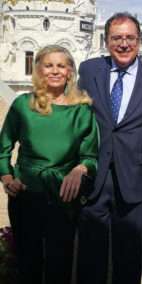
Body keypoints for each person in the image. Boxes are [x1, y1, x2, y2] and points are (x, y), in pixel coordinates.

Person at [77, 12, 142, 284]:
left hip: (135, 179)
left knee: (128, 256)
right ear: (107, 41)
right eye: (117, 38)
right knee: (90, 254)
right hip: (94, 176)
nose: (124, 44)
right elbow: (78, 121)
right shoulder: (89, 69)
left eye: (130, 38)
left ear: (139, 41)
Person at [0, 45, 98, 284]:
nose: (55, 71)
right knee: (28, 264)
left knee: (60, 265)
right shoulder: (23, 104)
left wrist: (80, 169)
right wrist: (7, 178)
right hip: (25, 194)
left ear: (70, 72)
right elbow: (3, 148)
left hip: (64, 197)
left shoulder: (83, 110)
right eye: (49, 65)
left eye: (61, 66)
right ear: (39, 70)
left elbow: (91, 156)